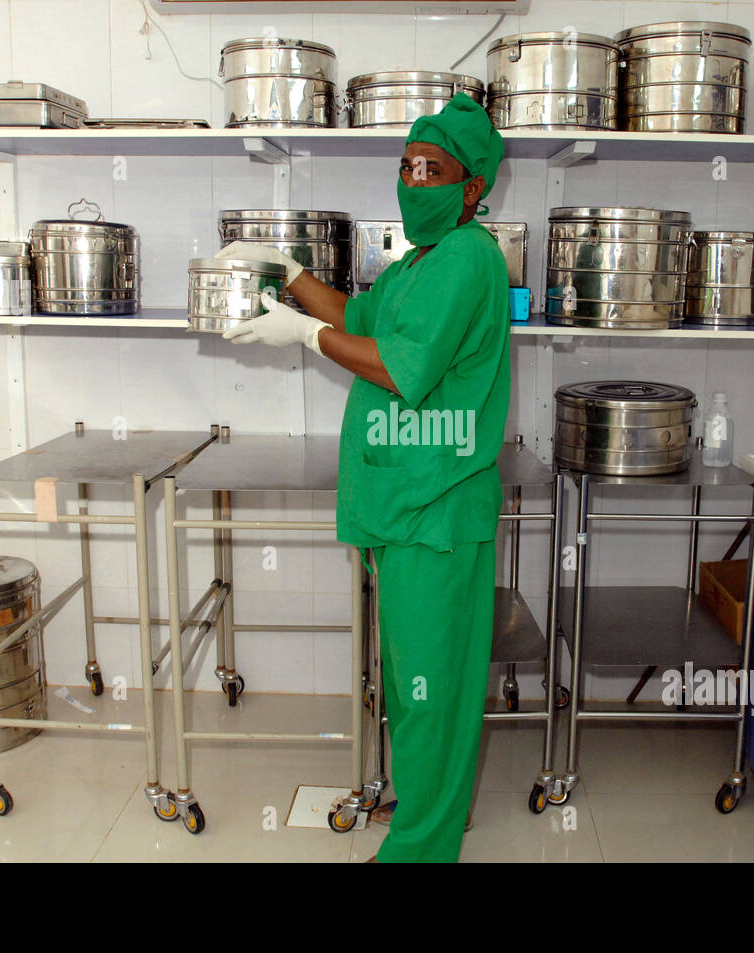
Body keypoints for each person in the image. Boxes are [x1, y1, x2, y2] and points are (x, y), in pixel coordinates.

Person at [218, 92, 510, 862]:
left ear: (471, 185)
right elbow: (359, 321)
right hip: (407, 505)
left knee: (430, 694)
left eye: (434, 169)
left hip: (436, 510)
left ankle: (421, 847)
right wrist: (288, 275)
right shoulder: (421, 262)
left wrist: (300, 333)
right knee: (415, 685)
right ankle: (423, 824)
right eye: (408, 166)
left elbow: (398, 367)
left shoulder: (469, 258)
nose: (416, 181)